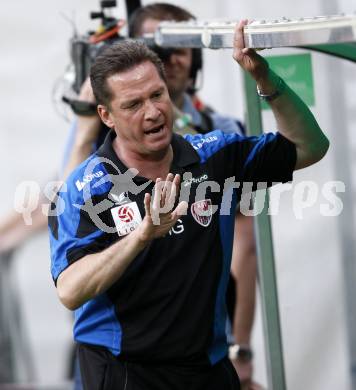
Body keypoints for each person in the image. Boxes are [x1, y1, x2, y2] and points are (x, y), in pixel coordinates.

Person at [48, 19, 329, 390]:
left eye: (157, 95)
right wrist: (142, 235)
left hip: (206, 370)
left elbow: (311, 146)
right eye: (133, 104)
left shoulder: (213, 154)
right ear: (106, 116)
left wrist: (266, 80)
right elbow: (70, 289)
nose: (152, 112)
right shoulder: (83, 189)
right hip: (124, 373)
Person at [128, 5, 257, 387]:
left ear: (196, 57)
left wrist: (241, 348)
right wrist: (88, 112)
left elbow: (245, 246)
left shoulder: (221, 133)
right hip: (127, 350)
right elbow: (67, 206)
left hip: (205, 349)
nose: (166, 59)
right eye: (153, 48)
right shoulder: (100, 130)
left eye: (179, 46)